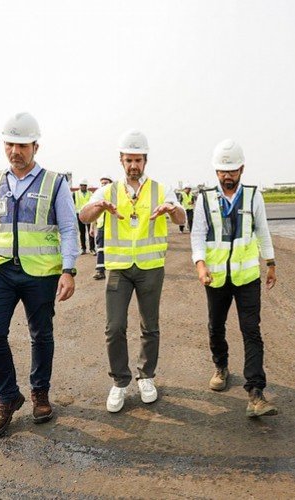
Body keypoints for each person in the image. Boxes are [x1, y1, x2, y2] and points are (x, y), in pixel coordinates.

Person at [0, 112, 78, 438]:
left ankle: (40, 392)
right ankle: (8, 396)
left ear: (35, 147)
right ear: (4, 145)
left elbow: (69, 228)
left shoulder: (55, 183)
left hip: (40, 272)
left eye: (23, 145)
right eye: (10, 144)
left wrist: (68, 269)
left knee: (41, 335)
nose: (16, 151)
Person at [79, 129, 185, 412]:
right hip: (118, 269)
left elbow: (181, 216)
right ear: (121, 161)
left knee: (150, 326)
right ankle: (120, 382)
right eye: (129, 160)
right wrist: (98, 206)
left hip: (150, 268)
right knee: (114, 327)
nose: (133, 165)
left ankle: (146, 376)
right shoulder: (109, 190)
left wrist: (171, 209)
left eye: (138, 160)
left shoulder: (161, 190)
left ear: (145, 161)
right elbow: (83, 215)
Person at [191, 139, 278, 418]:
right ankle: (221, 365)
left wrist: (271, 262)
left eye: (231, 171)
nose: (226, 176)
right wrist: (200, 266)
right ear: (216, 171)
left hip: (247, 277)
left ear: (241, 169)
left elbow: (262, 231)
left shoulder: (254, 196)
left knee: (251, 330)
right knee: (216, 326)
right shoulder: (204, 198)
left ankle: (256, 392)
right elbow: (197, 235)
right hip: (215, 277)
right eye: (221, 171)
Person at [91, 174, 113, 280]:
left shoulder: (115, 196)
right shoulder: (98, 197)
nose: (104, 185)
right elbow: (94, 214)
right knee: (100, 249)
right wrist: (92, 227)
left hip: (113, 228)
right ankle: (100, 271)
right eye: (102, 183)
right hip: (101, 226)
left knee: (113, 248)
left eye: (106, 183)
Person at [74, 178, 96, 254]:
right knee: (82, 232)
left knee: (91, 232)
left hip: (89, 214)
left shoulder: (91, 194)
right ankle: (83, 248)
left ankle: (92, 249)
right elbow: (71, 204)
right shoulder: (75, 194)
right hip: (79, 215)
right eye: (81, 185)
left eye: (84, 185)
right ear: (79, 186)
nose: (83, 186)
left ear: (87, 186)